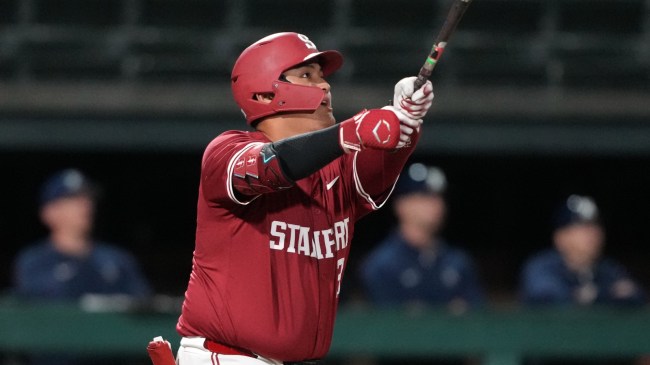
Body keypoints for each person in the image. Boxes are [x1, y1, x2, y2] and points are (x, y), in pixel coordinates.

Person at [174, 32, 434, 365]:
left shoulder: (336, 173)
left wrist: (406, 119)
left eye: (323, 77)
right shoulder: (225, 151)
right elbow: (271, 165)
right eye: (307, 76)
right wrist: (348, 133)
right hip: (223, 357)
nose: (325, 86)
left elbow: (380, 159)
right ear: (266, 93)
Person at [12, 168, 152, 365]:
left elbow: (145, 313)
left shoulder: (117, 260)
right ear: (49, 212)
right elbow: (38, 318)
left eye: (87, 199)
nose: (85, 206)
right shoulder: (34, 262)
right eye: (72, 200)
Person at [360, 163, 484, 312]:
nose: (436, 204)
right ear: (401, 205)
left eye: (439, 197)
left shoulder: (457, 262)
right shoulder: (382, 265)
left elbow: (478, 317)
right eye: (425, 196)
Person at [520, 194, 645, 306]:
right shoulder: (541, 267)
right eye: (582, 227)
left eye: (596, 225)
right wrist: (607, 294)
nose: (593, 233)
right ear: (560, 237)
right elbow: (548, 299)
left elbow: (637, 297)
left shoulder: (608, 269)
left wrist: (592, 296)